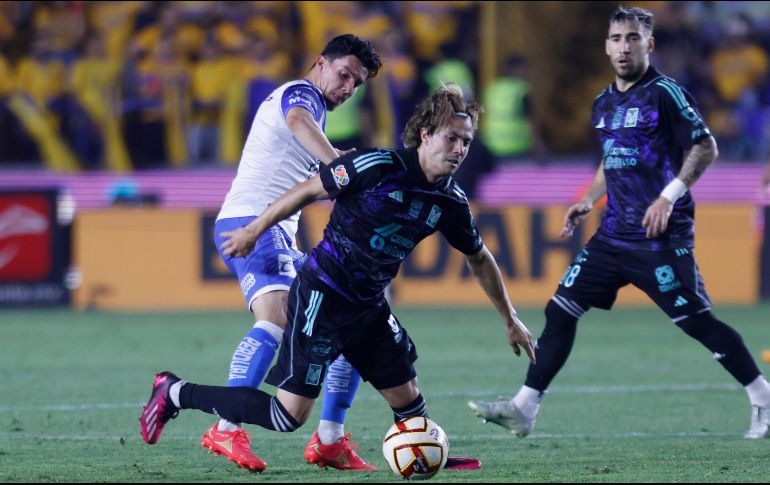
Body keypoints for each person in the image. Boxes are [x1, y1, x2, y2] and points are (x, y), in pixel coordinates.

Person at [139, 84, 537, 470]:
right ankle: (175, 392)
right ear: (426, 134)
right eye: (452, 138)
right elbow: (306, 191)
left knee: (408, 398)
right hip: (322, 296)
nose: (460, 149)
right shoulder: (376, 166)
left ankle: (426, 452)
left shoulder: (450, 201)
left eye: (466, 142)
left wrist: (509, 317)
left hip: (368, 305)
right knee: (286, 416)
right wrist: (253, 230)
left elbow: (479, 258)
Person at [468, 6, 770, 440]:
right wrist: (588, 200)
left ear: (649, 44)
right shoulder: (603, 103)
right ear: (606, 46)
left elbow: (705, 146)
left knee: (696, 322)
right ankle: (524, 408)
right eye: (616, 38)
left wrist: (668, 197)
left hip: (658, 235)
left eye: (632, 38)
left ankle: (762, 396)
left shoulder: (665, 93)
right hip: (612, 235)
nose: (623, 46)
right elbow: (612, 161)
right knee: (560, 310)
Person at [194, 34, 382, 472]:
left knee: (353, 321)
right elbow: (298, 120)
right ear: (320, 63)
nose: (348, 88)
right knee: (276, 317)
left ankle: (330, 440)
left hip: (276, 232)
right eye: (344, 75)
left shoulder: (317, 109)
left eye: (356, 83)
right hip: (252, 223)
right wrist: (338, 164)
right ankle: (225, 428)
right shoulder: (302, 95)